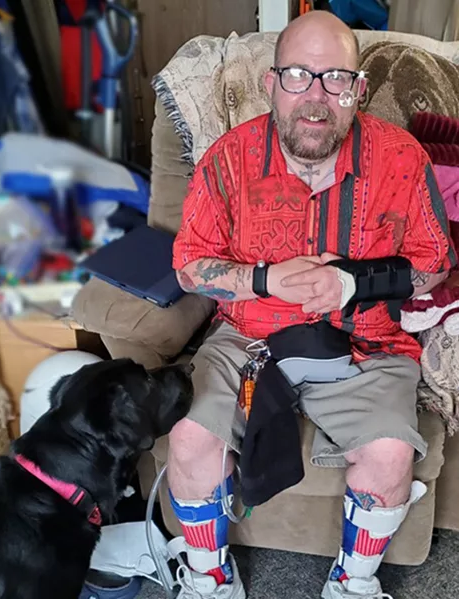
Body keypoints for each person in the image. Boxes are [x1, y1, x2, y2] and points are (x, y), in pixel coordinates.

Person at [168, 10, 456, 599]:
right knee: (189, 441)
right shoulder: (226, 159)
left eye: (336, 79)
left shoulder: (402, 158)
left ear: (359, 90)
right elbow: (190, 265)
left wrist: (353, 283)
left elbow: (435, 264)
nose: (317, 97)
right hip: (248, 336)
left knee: (390, 454)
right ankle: (208, 576)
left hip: (365, 342)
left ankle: (353, 581)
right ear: (271, 83)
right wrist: (267, 280)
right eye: (299, 75)